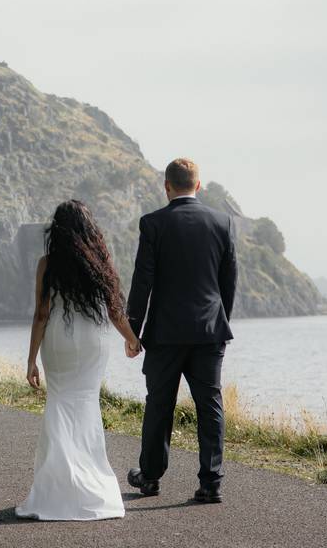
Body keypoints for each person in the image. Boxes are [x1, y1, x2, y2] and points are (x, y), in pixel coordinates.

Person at [15, 200, 142, 521]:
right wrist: (131, 337)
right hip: (92, 343)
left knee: (59, 404)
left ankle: (57, 489)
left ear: (56, 231)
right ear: (89, 230)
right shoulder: (101, 265)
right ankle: (92, 485)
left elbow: (41, 314)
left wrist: (31, 360)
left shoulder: (47, 264)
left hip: (58, 341)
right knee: (86, 405)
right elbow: (115, 312)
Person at [126, 158, 237, 504]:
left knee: (159, 404)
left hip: (165, 333)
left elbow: (142, 281)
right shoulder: (222, 222)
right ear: (198, 185)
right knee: (210, 406)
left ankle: (150, 477)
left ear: (167, 186)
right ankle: (211, 482)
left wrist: (132, 331)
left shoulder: (153, 223)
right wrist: (220, 322)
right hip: (209, 330)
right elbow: (228, 281)